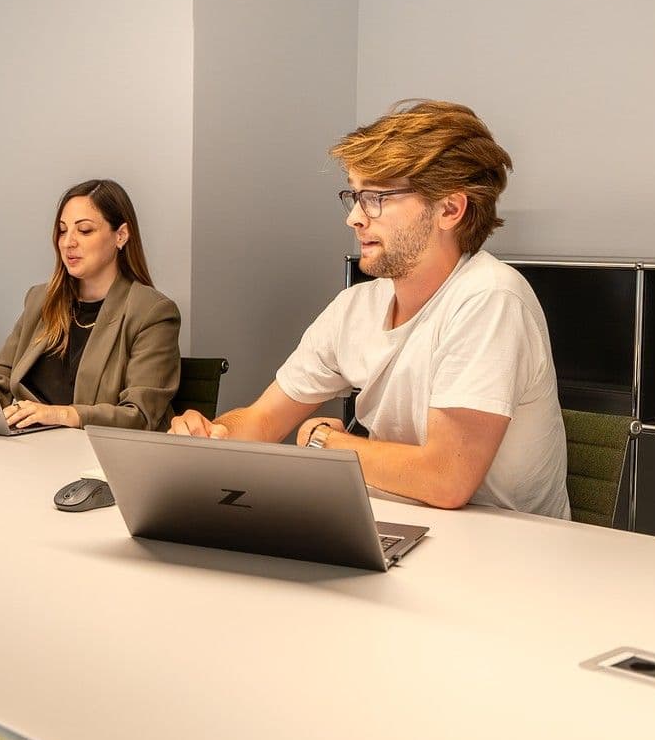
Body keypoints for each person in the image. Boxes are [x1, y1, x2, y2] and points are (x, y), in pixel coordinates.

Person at [170, 101, 570, 519]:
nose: (355, 219)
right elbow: (263, 419)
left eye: (376, 197)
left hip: (505, 554)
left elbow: (445, 480)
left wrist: (328, 441)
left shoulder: (490, 298)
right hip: (402, 526)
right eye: (355, 197)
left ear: (450, 209)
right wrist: (211, 436)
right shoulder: (356, 306)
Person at [0, 179, 181, 431]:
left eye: (85, 230)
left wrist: (59, 414)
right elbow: (0, 379)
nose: (68, 242)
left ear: (121, 235)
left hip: (100, 460)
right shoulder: (40, 299)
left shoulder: (152, 312)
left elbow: (140, 415)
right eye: (63, 230)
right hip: (32, 449)